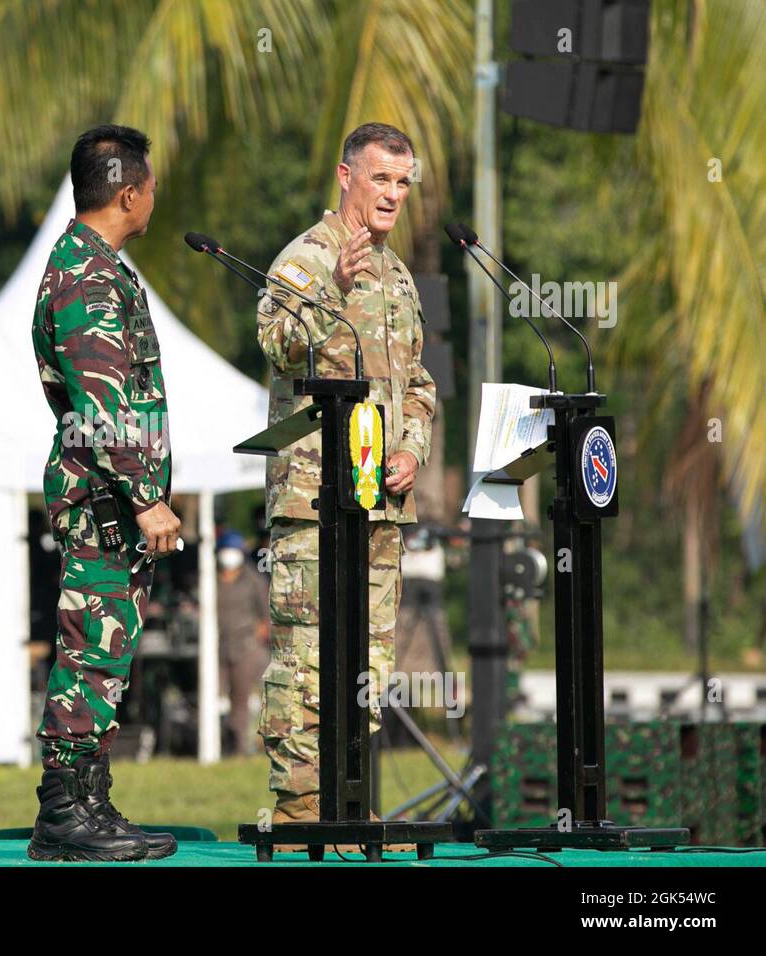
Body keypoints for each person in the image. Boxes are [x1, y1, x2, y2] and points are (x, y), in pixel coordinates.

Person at [255, 122, 436, 842]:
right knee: (308, 660)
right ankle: (303, 812)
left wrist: (413, 449)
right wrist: (330, 288)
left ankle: (351, 798)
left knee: (369, 661)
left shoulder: (397, 275)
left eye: (402, 182)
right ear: (345, 176)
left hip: (379, 504)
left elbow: (418, 383)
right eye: (380, 178)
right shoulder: (307, 257)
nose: (392, 194)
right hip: (314, 500)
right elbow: (275, 344)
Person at [27, 124, 181, 862]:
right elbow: (100, 401)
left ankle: (90, 803)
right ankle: (63, 815)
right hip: (105, 496)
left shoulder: (97, 266)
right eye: (150, 186)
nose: (155, 198)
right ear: (129, 193)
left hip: (109, 496)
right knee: (91, 652)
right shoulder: (86, 275)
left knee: (106, 653)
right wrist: (147, 495)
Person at [215, 530, 269, 755]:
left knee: (241, 700)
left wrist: (255, 639)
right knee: (216, 699)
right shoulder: (209, 577)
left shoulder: (254, 580)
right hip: (216, 647)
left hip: (245, 648)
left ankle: (239, 749)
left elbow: (266, 616)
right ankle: (217, 745)